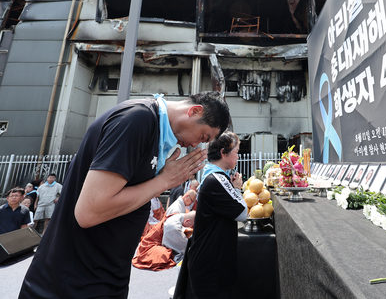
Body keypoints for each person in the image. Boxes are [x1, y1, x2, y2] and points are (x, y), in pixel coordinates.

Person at [19, 91, 230, 299]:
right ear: (194, 111)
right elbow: (90, 211)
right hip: (73, 281)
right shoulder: (137, 120)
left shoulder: (152, 129)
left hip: (104, 276)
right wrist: (164, 181)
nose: (196, 145)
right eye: (202, 137)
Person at [175, 131, 247, 299]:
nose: (238, 156)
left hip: (209, 263)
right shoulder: (217, 179)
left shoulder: (211, 176)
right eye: (236, 151)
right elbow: (243, 213)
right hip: (212, 267)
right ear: (223, 153)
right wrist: (237, 188)